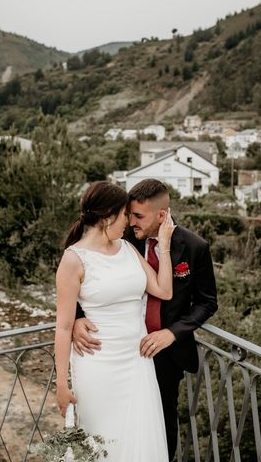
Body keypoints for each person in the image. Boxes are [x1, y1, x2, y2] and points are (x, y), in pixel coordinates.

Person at [73, 178, 218, 461]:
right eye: (128, 214)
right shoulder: (121, 237)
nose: (130, 221)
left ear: (161, 215)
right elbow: (84, 270)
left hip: (165, 354)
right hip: (118, 352)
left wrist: (173, 333)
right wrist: (79, 317)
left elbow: (207, 302)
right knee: (113, 424)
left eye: (138, 216)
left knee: (160, 428)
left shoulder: (194, 247)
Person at [54, 181, 176, 461]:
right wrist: (62, 384)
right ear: (108, 216)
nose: (128, 222)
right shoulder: (73, 260)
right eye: (125, 215)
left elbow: (163, 290)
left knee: (140, 437)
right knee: (103, 440)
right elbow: (62, 326)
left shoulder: (127, 249)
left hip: (137, 362)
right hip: (98, 365)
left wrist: (165, 248)